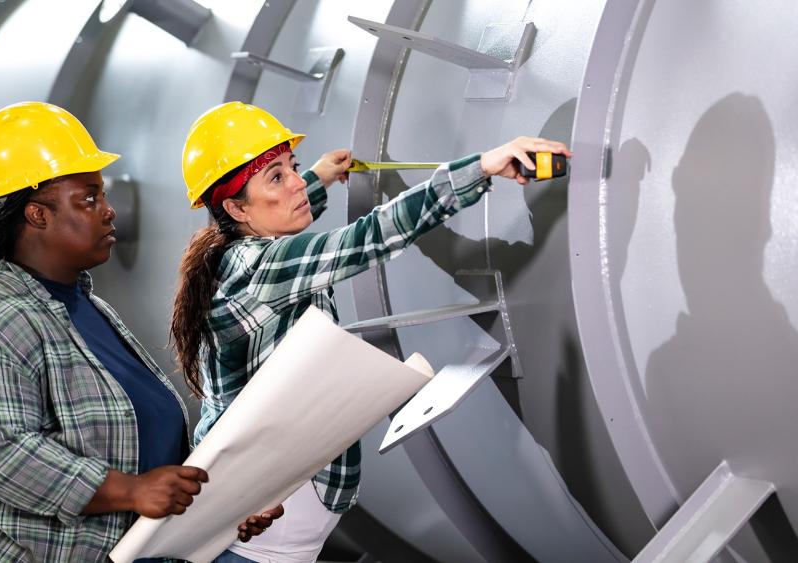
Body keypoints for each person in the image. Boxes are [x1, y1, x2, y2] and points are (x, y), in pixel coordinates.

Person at [170, 101, 571, 562]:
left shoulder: (240, 249)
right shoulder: (260, 268)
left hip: (270, 538)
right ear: (236, 207)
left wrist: (319, 178)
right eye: (276, 178)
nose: (296, 183)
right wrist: (480, 168)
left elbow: (292, 233)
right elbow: (364, 239)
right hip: (254, 546)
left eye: (293, 168)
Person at [0, 102, 280, 562]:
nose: (109, 212)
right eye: (89, 199)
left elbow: (142, 442)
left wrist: (218, 505)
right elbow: (0, 454)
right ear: (37, 215)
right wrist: (131, 491)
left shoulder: (86, 309)